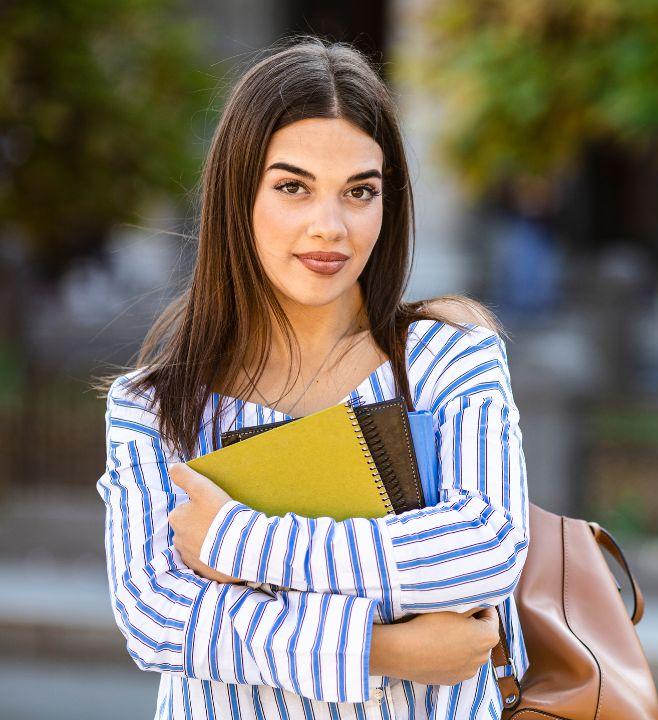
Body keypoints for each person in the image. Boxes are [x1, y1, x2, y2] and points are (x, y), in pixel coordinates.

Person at [91, 36, 530, 718]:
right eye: (293, 187)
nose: (330, 227)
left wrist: (241, 541)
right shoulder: (155, 406)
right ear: (239, 196)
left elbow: (486, 548)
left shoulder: (446, 359)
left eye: (361, 191)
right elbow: (156, 615)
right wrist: (382, 651)